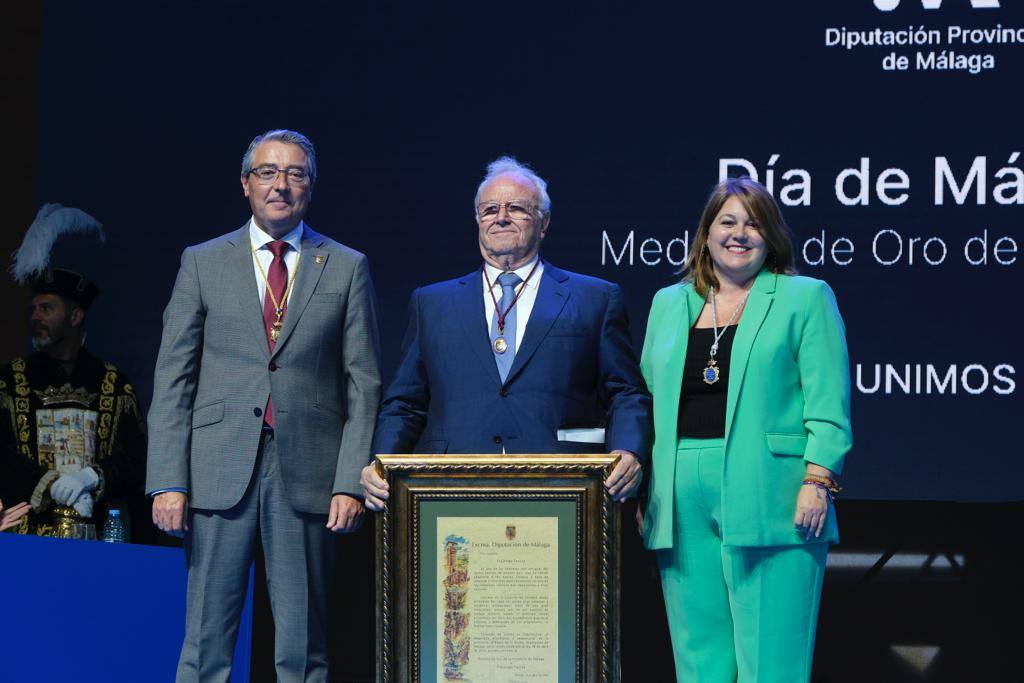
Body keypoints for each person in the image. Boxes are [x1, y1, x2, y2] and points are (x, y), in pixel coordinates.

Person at [145, 129, 381, 683]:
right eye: (269, 172)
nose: (282, 184)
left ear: (310, 187)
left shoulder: (345, 265)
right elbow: (173, 378)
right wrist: (167, 480)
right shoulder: (202, 262)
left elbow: (364, 384)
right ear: (246, 184)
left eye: (295, 173)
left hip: (308, 475)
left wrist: (349, 480)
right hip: (216, 472)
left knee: (302, 649)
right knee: (205, 645)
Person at [639, 177, 852, 682]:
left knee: (772, 662)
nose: (740, 234)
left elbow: (828, 402)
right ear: (706, 234)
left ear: (771, 235)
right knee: (700, 661)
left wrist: (817, 480)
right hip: (679, 493)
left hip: (773, 491)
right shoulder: (668, 303)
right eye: (727, 222)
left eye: (753, 223)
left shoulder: (805, 298)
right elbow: (649, 397)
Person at [360, 156, 651, 509]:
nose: (500, 217)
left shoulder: (595, 297)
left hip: (562, 482)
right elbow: (405, 403)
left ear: (543, 222)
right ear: (477, 221)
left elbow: (625, 392)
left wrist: (627, 450)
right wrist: (381, 461)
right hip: (452, 484)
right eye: (489, 210)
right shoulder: (431, 302)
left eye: (516, 208)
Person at [0, 206, 147, 538]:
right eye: (33, 309)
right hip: (23, 543)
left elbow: (135, 458)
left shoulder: (114, 385)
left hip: (96, 537)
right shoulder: (8, 382)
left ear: (76, 316)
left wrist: (90, 479)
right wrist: (49, 483)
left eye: (47, 308)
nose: (36, 316)